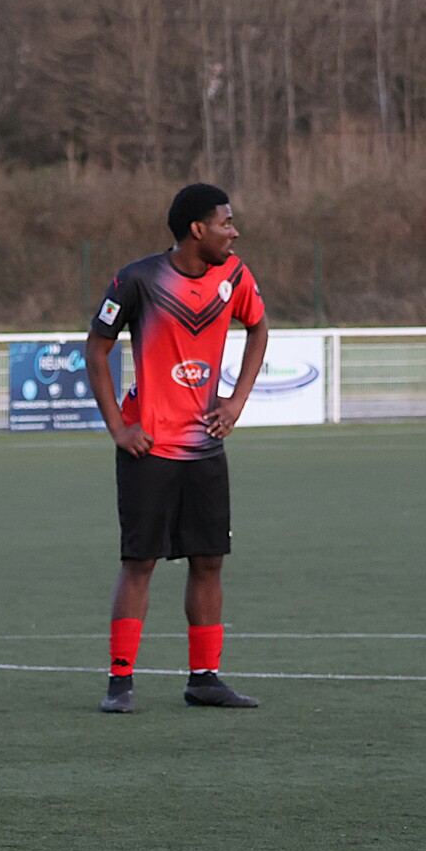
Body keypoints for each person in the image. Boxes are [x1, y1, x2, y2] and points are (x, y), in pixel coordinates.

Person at [84, 182, 269, 714]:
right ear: (197, 229)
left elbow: (259, 330)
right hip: (148, 450)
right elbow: (96, 349)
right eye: (226, 223)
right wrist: (119, 428)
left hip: (206, 447)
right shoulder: (137, 279)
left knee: (209, 561)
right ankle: (120, 681)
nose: (234, 232)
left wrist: (235, 401)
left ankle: (204, 679)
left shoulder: (235, 277)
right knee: (139, 562)